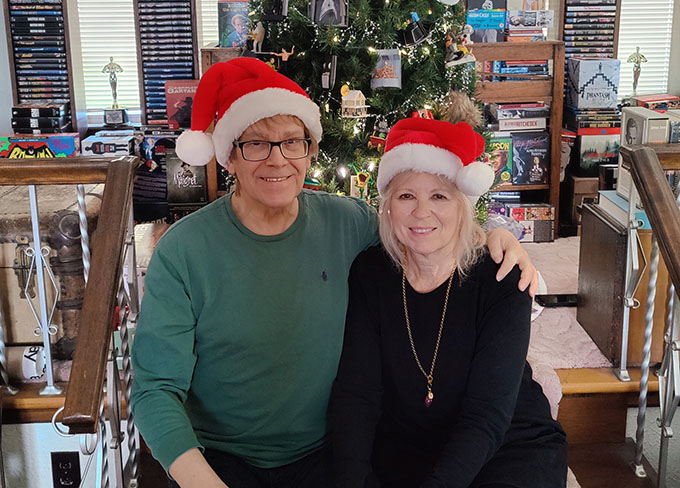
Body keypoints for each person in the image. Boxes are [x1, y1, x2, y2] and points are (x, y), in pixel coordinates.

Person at [130, 58, 539, 488]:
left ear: (310, 151)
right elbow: (155, 389)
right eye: (256, 143)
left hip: (324, 455)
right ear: (228, 154)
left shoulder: (349, 223)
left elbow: (421, 227)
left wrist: (495, 237)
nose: (277, 160)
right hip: (219, 461)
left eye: (292, 142)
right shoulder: (182, 250)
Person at [330, 118, 567, 488]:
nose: (421, 212)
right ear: (388, 205)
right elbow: (356, 394)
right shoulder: (370, 272)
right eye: (407, 195)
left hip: (505, 445)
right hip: (409, 446)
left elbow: (487, 417)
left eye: (439, 196)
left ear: (462, 206)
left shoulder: (503, 277)